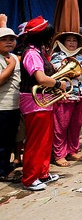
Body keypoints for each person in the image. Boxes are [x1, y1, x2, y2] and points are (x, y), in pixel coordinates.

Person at [19, 16, 62, 191]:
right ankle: (30, 178)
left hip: (43, 101)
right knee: (36, 141)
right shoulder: (31, 54)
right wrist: (59, 84)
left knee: (45, 139)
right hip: (34, 102)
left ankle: (42, 173)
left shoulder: (38, 52)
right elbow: (41, 78)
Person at [49, 31, 82, 167]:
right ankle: (59, 154)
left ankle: (72, 150)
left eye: (74, 40)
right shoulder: (57, 56)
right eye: (69, 40)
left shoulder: (81, 57)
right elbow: (56, 70)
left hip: (78, 95)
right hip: (63, 96)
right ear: (63, 43)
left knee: (75, 125)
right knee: (61, 126)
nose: (72, 43)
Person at [0, 21, 21, 183]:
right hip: (2, 106)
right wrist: (12, 65)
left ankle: (6, 167)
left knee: (10, 140)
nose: (9, 42)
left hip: (15, 105)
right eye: (4, 39)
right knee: (2, 141)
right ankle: (3, 171)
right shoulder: (9, 60)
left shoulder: (13, 56)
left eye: (11, 39)